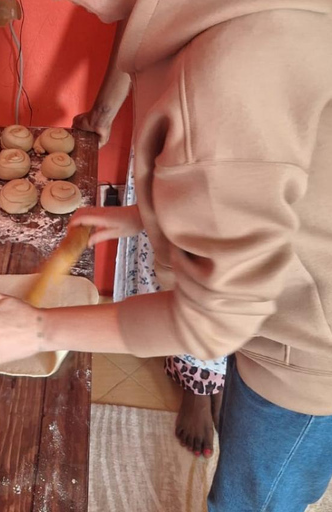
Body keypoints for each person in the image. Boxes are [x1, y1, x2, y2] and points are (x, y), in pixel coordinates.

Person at [0, 0, 332, 509]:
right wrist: (143, 216)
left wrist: (38, 329)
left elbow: (208, 325)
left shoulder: (229, 71)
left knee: (250, 501)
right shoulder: (252, 19)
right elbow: (275, 183)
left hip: (329, 359)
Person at [73, 19, 227, 459]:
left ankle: (208, 376)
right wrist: (103, 113)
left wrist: (40, 330)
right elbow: (145, 22)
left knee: (216, 263)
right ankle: (202, 375)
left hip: (228, 126)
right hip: (180, 115)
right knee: (177, 260)